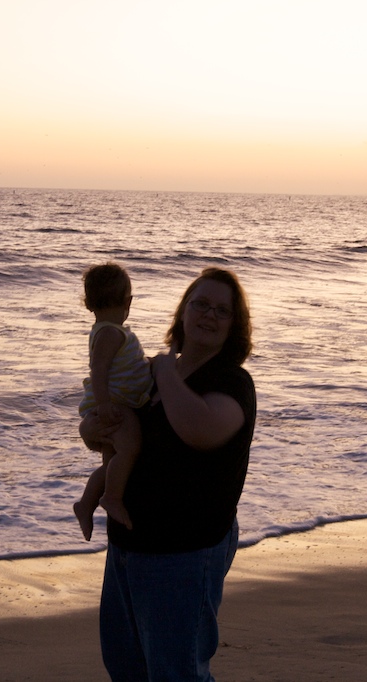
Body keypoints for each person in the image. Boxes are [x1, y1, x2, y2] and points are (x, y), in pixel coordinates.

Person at [81, 267, 256, 681]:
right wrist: (90, 427)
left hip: (183, 553)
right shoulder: (145, 378)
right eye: (200, 304)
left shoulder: (231, 382)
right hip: (127, 546)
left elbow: (200, 430)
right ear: (182, 312)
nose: (208, 315)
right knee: (128, 669)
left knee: (176, 674)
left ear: (234, 325)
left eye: (222, 310)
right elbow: (112, 434)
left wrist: (164, 371)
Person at [74, 263, 154, 541]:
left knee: (111, 466)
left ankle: (85, 504)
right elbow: (99, 370)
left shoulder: (107, 330)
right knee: (131, 447)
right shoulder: (110, 332)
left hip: (116, 402)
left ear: (89, 303)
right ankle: (112, 498)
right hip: (117, 406)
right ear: (127, 302)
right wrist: (105, 404)